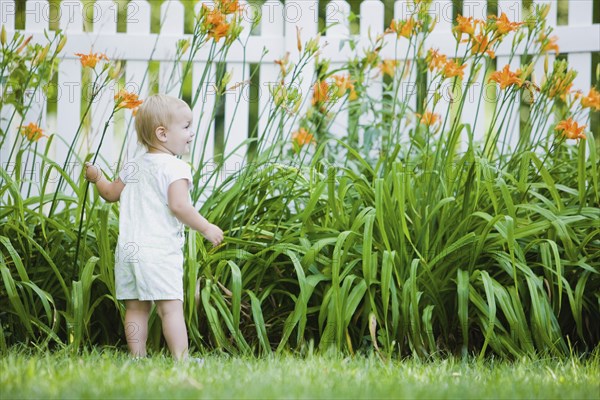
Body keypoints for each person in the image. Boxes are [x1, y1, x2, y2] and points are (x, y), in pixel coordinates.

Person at [84, 94, 223, 361]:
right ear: (162, 133)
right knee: (170, 308)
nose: (191, 133)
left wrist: (97, 176)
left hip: (129, 251)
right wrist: (205, 227)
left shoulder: (134, 164)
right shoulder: (175, 167)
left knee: (136, 308)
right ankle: (182, 359)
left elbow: (111, 193)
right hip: (158, 252)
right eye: (186, 126)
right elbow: (179, 206)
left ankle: (137, 358)